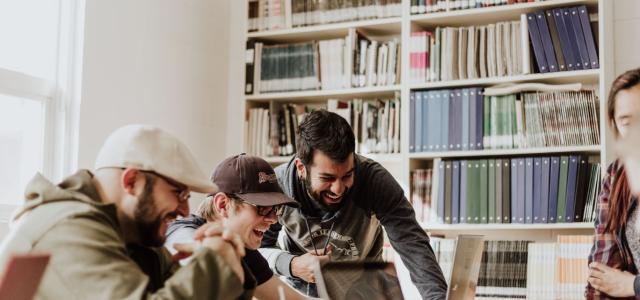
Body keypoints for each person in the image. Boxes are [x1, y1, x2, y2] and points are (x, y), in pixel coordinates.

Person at [0, 124, 249, 299]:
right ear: (132, 181)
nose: (185, 211)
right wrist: (216, 261)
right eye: (178, 193)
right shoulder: (70, 228)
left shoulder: (129, 234)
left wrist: (227, 258)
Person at [259, 110, 448, 299]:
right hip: (301, 293)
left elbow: (413, 244)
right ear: (302, 168)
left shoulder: (374, 180)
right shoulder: (278, 186)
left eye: (347, 175)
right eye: (327, 178)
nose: (338, 189)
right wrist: (292, 265)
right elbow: (256, 251)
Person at [165, 153, 318, 300]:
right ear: (223, 205)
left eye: (275, 209)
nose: (273, 219)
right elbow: (185, 246)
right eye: (262, 208)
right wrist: (209, 254)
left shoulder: (243, 249)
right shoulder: (183, 231)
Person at [587, 68, 640, 299]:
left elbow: (624, 284)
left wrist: (634, 286)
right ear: (615, 125)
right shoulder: (616, 176)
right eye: (627, 122)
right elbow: (602, 273)